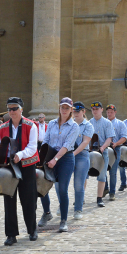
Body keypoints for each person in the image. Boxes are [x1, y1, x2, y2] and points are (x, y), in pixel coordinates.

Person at [0, 97, 39, 245]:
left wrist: (20, 155)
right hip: (9, 167)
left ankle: (32, 229)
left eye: (15, 108)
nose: (12, 111)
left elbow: (33, 147)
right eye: (9, 109)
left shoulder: (30, 125)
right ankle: (11, 234)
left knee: (28, 199)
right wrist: (2, 157)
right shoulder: (2, 128)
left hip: (26, 166)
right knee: (9, 199)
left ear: (21, 109)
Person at [41, 97, 79, 232]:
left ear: (71, 110)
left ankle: (63, 221)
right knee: (41, 185)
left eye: (67, 108)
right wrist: (43, 158)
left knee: (62, 189)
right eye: (62, 107)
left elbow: (67, 145)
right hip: (50, 155)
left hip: (65, 159)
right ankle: (46, 213)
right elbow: (46, 141)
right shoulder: (51, 123)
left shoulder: (74, 126)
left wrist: (55, 160)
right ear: (59, 108)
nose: (64, 110)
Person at [89, 101, 115, 207]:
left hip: (102, 151)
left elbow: (109, 137)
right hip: (91, 151)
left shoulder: (107, 123)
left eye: (97, 109)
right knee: (85, 175)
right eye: (93, 109)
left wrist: (103, 147)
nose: (95, 111)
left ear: (101, 110)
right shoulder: (89, 122)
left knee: (102, 175)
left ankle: (99, 198)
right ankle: (81, 199)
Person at [72, 102, 94, 219]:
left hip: (81, 155)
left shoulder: (88, 125)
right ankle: (62, 205)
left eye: (78, 111)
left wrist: (74, 154)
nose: (75, 113)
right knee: (60, 183)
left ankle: (78, 209)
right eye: (74, 111)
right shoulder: (68, 123)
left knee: (79, 184)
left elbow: (85, 142)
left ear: (83, 112)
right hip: (67, 154)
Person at [104, 104, 127, 200]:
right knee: (102, 171)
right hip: (104, 148)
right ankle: (105, 188)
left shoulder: (120, 123)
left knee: (113, 172)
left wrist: (116, 143)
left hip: (115, 149)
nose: (109, 114)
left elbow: (124, 137)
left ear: (115, 112)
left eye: (111, 112)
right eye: (108, 112)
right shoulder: (103, 122)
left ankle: (112, 193)